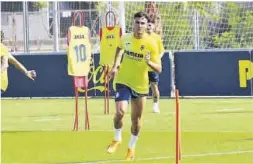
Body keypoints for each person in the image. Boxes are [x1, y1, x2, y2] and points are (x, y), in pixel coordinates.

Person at [106, 11, 162, 160]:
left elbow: (159, 68)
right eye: (137, 22)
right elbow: (119, 48)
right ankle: (117, 139)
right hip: (123, 81)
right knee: (120, 112)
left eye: (142, 23)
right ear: (133, 23)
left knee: (136, 121)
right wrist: (116, 65)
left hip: (141, 85)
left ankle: (131, 148)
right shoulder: (125, 38)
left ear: (146, 25)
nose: (139, 26)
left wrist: (149, 62)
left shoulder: (151, 43)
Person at [147, 19, 165, 113]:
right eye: (148, 25)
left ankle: (155, 105)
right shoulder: (142, 36)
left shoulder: (157, 38)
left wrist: (157, 58)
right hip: (142, 66)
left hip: (153, 66)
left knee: (154, 86)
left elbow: (161, 51)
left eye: (151, 25)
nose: (149, 27)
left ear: (153, 27)